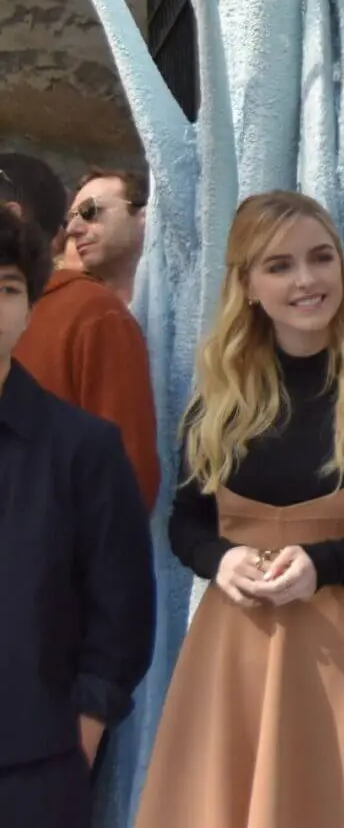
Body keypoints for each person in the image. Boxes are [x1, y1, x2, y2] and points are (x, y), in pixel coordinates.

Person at [135, 190, 344, 828]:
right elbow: (186, 522)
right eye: (279, 265)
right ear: (248, 285)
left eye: (321, 257)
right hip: (235, 657)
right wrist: (218, 561)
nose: (307, 279)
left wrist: (324, 564)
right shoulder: (217, 407)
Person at [0, 204, 155, 827]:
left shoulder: (83, 448)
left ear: (30, 306)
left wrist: (83, 728)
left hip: (35, 760)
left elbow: (122, 604)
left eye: (7, 289)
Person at [0, 153, 161, 509]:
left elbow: (127, 482)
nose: (73, 229)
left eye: (90, 211)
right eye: (71, 217)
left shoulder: (94, 314)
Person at [64, 167, 147, 306]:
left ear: (143, 216)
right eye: (69, 219)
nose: (71, 229)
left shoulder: (189, 306)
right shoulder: (67, 314)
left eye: (90, 210)